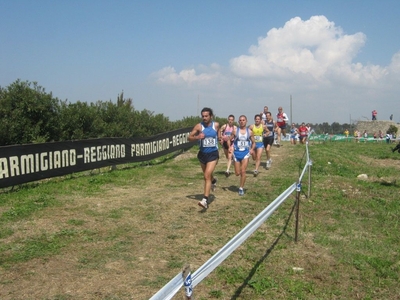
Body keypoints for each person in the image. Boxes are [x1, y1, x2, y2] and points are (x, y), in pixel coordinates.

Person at [188, 107, 220, 209]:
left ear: (211, 116)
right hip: (202, 154)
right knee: (207, 176)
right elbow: (189, 137)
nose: (204, 118)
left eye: (206, 116)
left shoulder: (216, 125)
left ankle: (205, 200)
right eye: (203, 116)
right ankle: (214, 181)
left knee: (206, 175)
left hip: (213, 154)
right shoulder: (199, 126)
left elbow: (218, 133)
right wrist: (197, 137)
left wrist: (220, 138)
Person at [228, 115, 255, 196]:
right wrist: (230, 147)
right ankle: (234, 162)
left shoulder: (250, 132)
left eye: (243, 120)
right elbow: (229, 140)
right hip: (236, 153)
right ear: (238, 122)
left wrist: (252, 149)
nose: (242, 121)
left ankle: (241, 188)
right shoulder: (235, 131)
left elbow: (254, 142)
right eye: (240, 120)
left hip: (245, 153)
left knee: (243, 171)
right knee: (237, 173)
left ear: (246, 121)